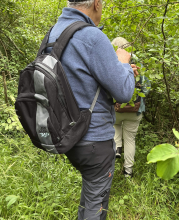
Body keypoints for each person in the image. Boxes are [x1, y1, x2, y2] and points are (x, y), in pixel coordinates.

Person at [46, 1, 139, 219]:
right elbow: (124, 93)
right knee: (96, 204)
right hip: (94, 139)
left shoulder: (54, 32)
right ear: (96, 3)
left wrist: (117, 70)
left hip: (66, 134)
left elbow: (80, 81)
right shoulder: (92, 36)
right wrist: (123, 63)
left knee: (89, 196)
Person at [112, 37, 151, 178]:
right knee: (130, 139)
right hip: (135, 109)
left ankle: (116, 148)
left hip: (116, 108)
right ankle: (128, 171)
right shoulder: (137, 62)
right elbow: (147, 87)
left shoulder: (112, 61)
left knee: (115, 125)